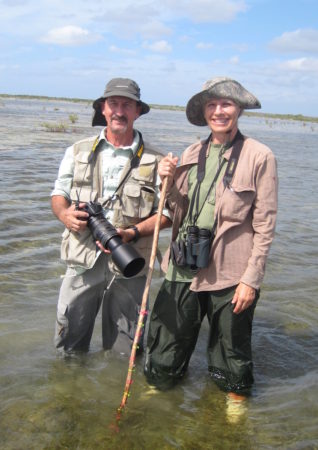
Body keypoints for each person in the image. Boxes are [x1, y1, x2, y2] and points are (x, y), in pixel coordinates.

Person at [144, 77, 278, 401]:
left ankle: (235, 398)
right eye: (212, 105)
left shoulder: (260, 156)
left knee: (231, 347)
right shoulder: (193, 151)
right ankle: (159, 389)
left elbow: (265, 224)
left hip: (231, 271)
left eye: (226, 104)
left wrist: (251, 279)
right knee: (167, 338)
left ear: (239, 109)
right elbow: (177, 208)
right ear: (204, 112)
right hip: (185, 259)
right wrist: (166, 181)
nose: (219, 111)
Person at [51, 78, 171, 355]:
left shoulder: (158, 160)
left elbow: (167, 214)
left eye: (127, 105)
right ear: (103, 109)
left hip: (131, 261)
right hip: (82, 256)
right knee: (68, 341)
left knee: (126, 347)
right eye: (113, 104)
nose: (119, 111)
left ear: (137, 111)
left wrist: (131, 233)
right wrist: (65, 214)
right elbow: (59, 193)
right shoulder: (77, 150)